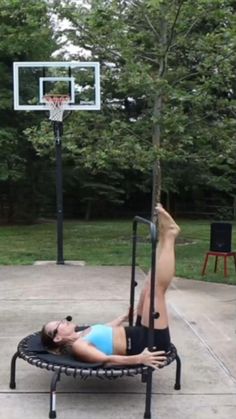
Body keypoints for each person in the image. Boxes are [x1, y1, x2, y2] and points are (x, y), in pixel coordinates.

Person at [41, 204, 180, 369]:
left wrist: (122, 317)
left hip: (138, 333)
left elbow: (106, 331)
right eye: (59, 324)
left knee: (147, 286)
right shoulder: (79, 346)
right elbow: (107, 359)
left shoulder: (81, 333)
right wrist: (139, 359)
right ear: (57, 338)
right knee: (156, 291)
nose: (64, 321)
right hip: (149, 346)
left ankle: (163, 236)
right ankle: (170, 234)